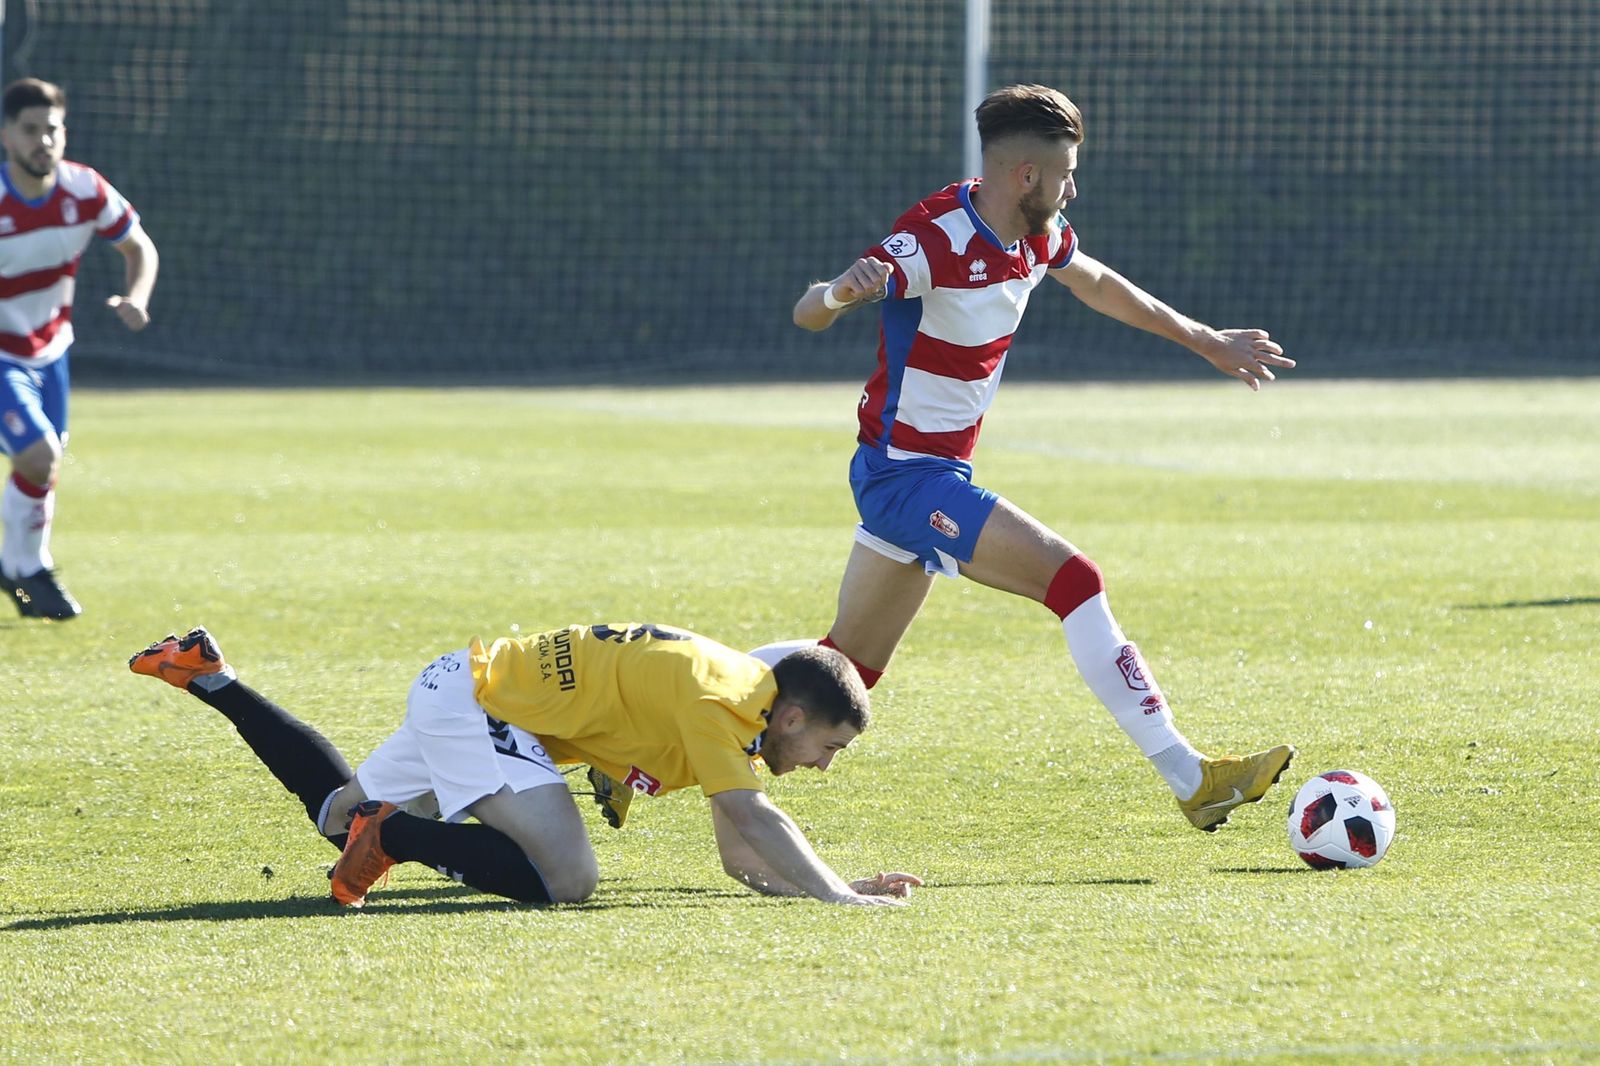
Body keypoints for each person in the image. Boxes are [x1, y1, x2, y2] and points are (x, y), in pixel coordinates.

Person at [749, 85, 1296, 831]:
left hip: (927, 477)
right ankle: (1190, 776)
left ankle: (641, 757)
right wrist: (840, 292)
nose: (1074, 187)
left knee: (845, 666)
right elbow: (808, 310)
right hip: (906, 478)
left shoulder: (1038, 233)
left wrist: (1206, 341)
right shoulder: (934, 237)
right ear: (1027, 177)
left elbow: (1099, 284)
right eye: (1066, 174)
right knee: (1075, 579)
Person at [129, 625, 922, 908]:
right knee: (568, 879)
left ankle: (207, 674)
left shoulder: (736, 698)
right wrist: (839, 901)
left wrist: (833, 884)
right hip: (482, 707)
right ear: (790, 716)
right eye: (828, 747)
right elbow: (753, 821)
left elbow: (737, 855)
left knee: (336, 814)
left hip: (467, 685)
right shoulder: (727, 702)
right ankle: (398, 835)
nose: (822, 766)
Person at [0, 77, 159, 620]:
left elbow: (140, 247)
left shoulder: (84, 190)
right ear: (6, 136)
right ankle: (30, 568)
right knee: (38, 454)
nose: (42, 141)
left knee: (44, 466)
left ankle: (20, 571)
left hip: (50, 349)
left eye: (52, 130)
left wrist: (137, 297)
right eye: (29, 130)